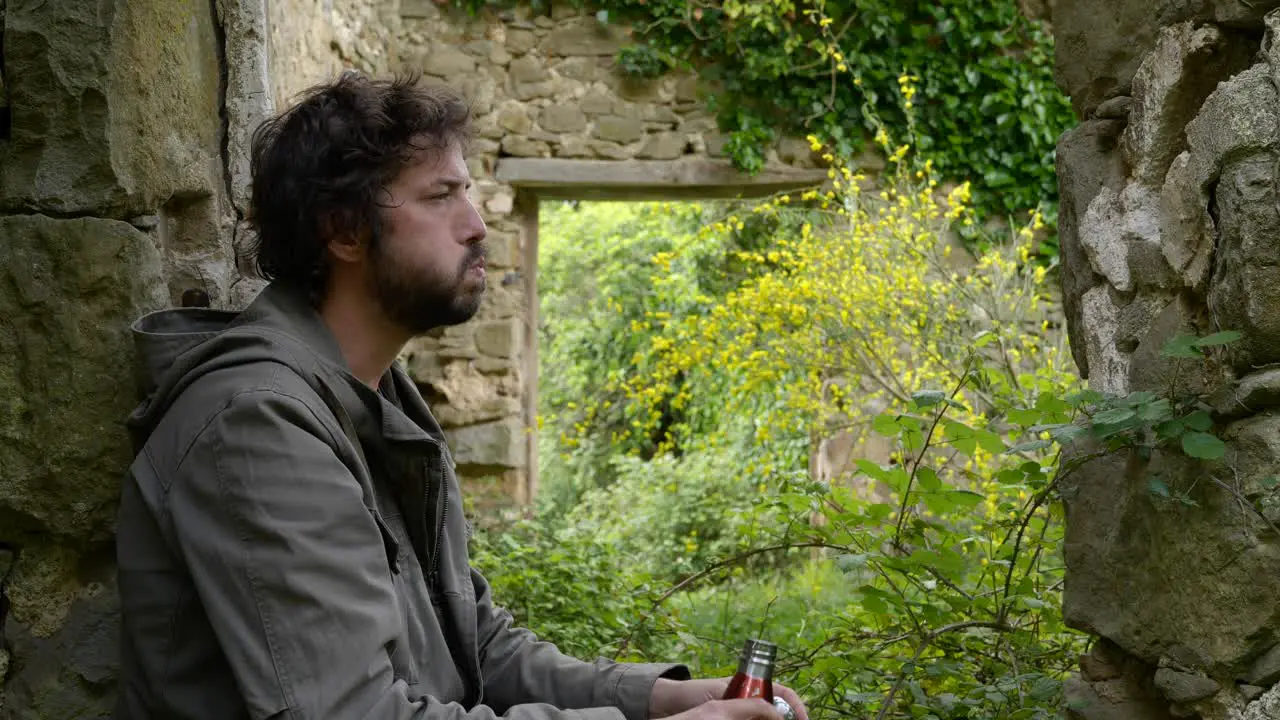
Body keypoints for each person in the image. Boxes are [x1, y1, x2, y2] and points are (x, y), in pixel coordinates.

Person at [113, 71, 808, 720]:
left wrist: (660, 699)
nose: (476, 224)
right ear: (344, 231)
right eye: (440, 196)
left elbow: (473, 646)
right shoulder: (258, 425)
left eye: (467, 193)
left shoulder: (374, 400)